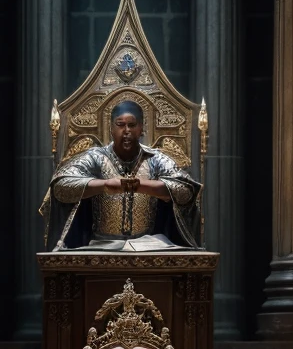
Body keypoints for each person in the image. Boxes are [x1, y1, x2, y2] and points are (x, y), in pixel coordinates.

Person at [44, 100, 201, 251]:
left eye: (132, 125)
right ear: (111, 128)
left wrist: (140, 186)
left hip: (148, 246)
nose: (126, 131)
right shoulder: (95, 158)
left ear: (141, 128)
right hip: (102, 245)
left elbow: (185, 189)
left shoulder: (155, 159)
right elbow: (60, 186)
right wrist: (104, 185)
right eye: (120, 125)